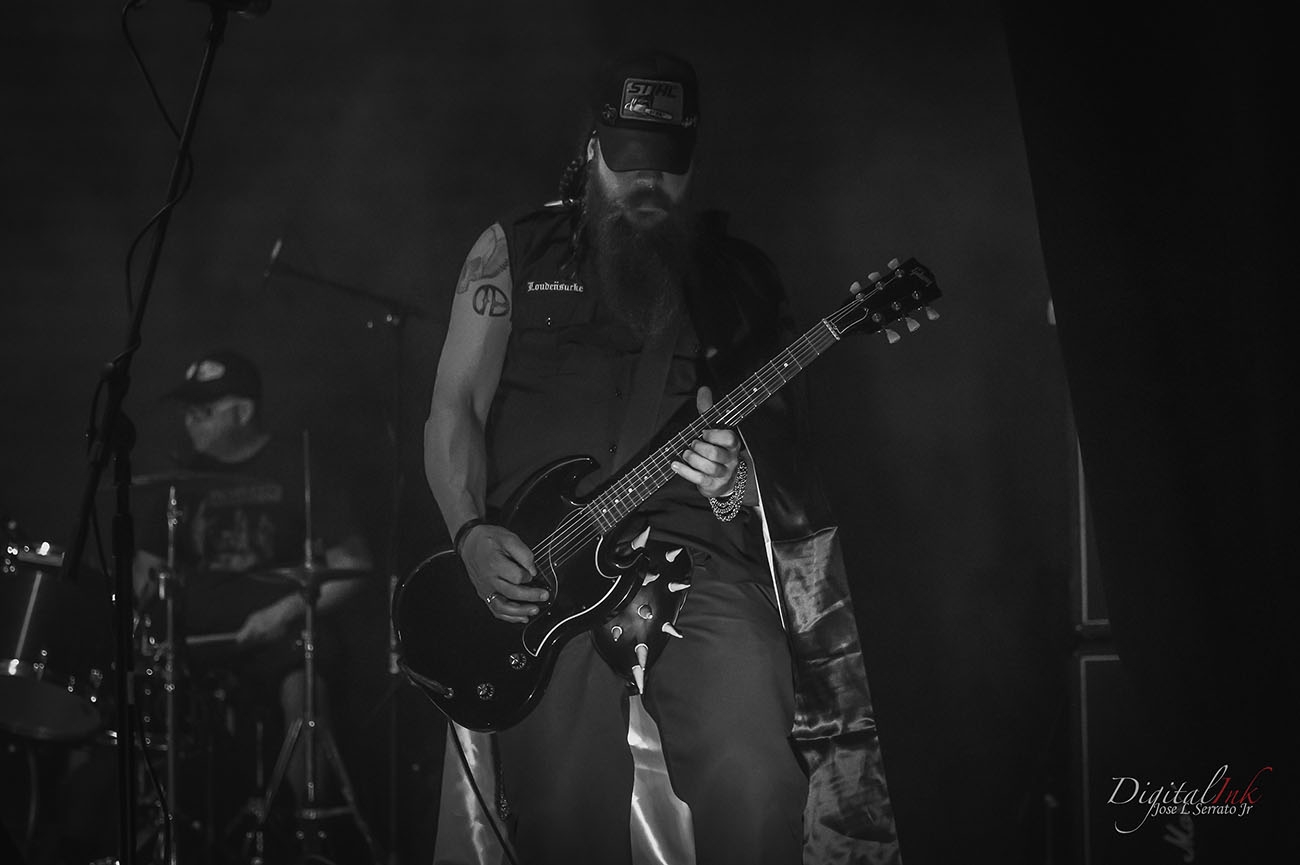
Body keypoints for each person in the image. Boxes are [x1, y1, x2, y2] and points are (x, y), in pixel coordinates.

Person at [423, 51, 899, 864]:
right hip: (546, 570)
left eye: (667, 167)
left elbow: (789, 456)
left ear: (694, 161)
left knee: (759, 778)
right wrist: (469, 532)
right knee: (563, 814)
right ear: (592, 149)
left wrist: (736, 477)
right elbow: (454, 408)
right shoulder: (512, 252)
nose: (648, 184)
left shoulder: (741, 278)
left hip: (693, 559)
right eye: (628, 162)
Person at [131, 350, 373, 830]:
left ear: (242, 412)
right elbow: (147, 570)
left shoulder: (296, 467)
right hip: (195, 638)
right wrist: (151, 628)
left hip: (280, 630)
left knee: (305, 687)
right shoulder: (179, 481)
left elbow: (353, 565)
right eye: (187, 411)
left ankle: (307, 831)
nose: (190, 421)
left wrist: (280, 614)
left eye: (203, 411)